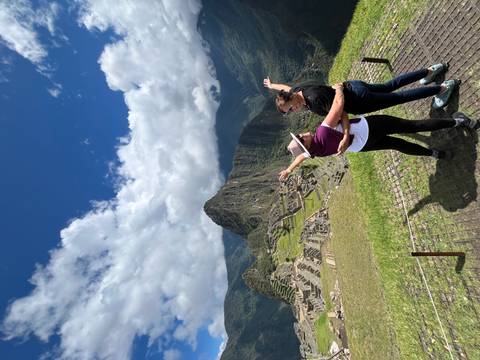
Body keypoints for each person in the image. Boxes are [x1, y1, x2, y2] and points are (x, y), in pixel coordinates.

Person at [278, 111, 478, 182]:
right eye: (301, 138)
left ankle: (434, 153)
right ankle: (459, 122)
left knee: (398, 145)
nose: (303, 134)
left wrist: (288, 170)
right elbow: (339, 105)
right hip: (368, 128)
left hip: (362, 145)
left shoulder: (314, 153)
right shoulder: (322, 131)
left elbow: (299, 157)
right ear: (306, 144)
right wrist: (339, 90)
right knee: (412, 126)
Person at [264, 64, 460, 116]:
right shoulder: (298, 90)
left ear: (291, 101)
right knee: (391, 85)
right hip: (354, 85)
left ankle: (442, 88)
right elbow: (285, 87)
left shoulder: (314, 102)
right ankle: (430, 70)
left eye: (289, 109)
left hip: (360, 99)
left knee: (398, 98)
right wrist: (272, 85)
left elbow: (338, 110)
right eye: (288, 113)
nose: (292, 112)